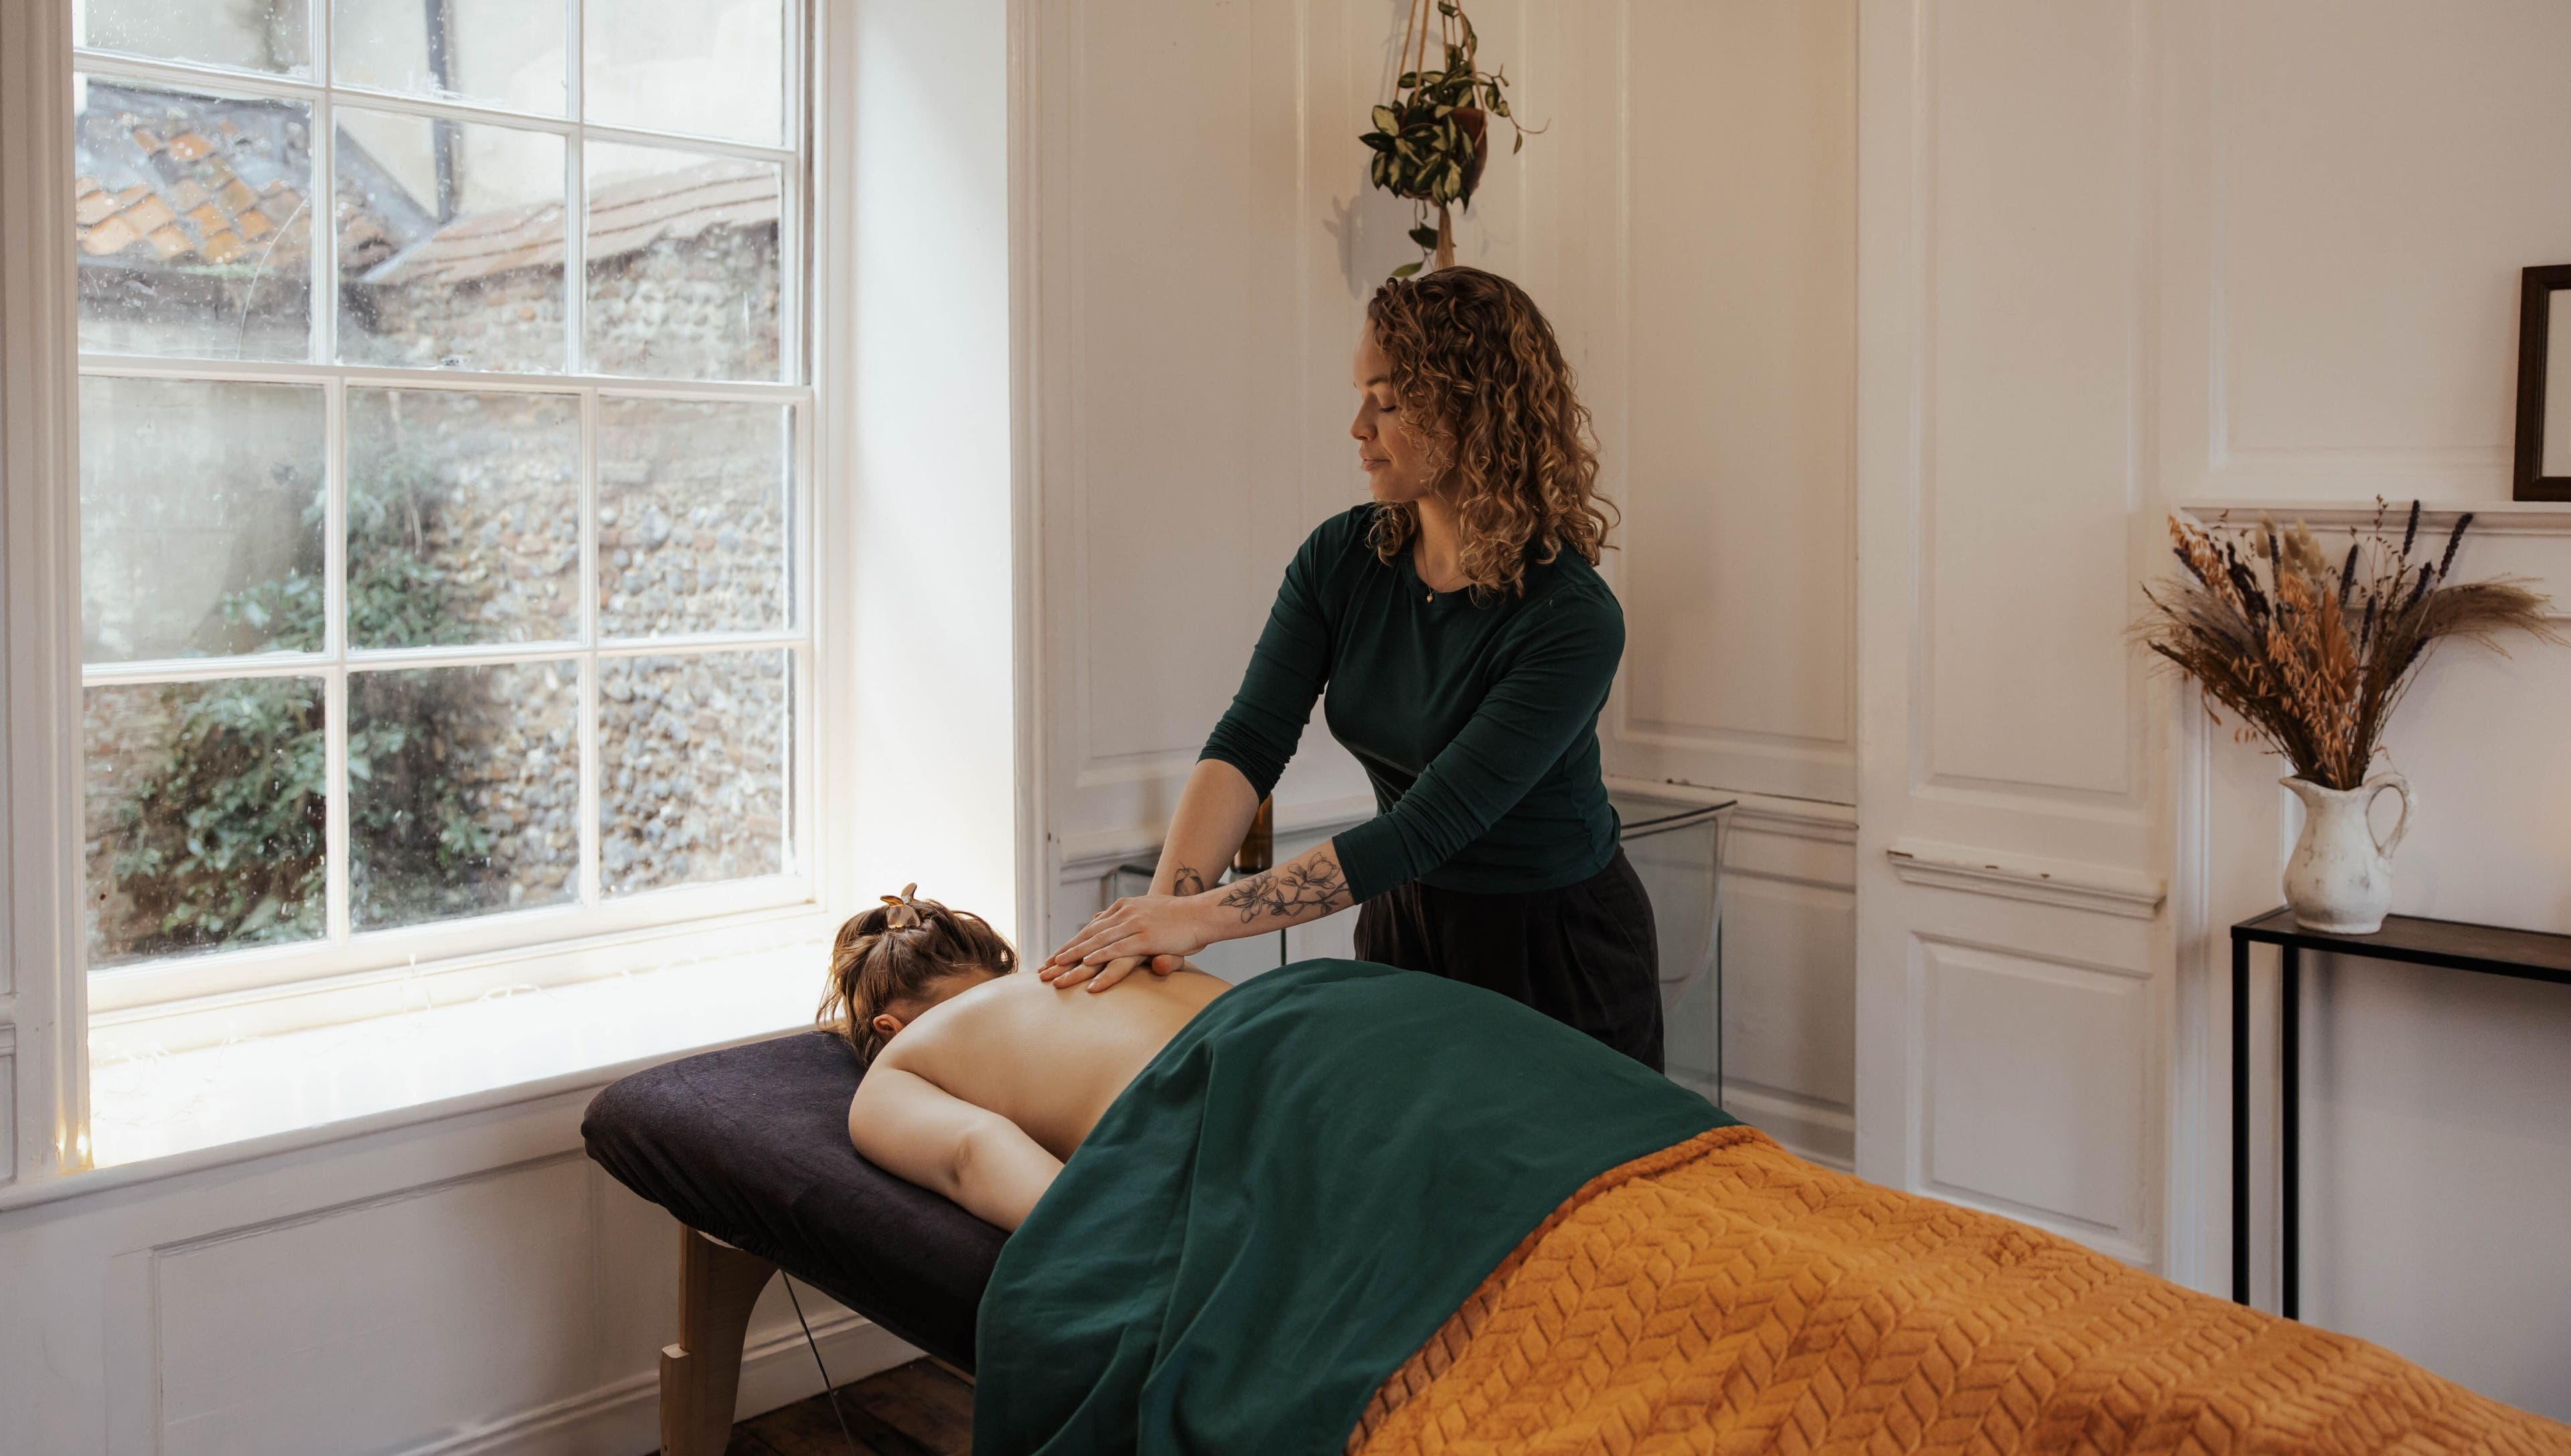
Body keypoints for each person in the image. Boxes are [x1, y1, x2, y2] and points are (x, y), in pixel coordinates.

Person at [1038, 266, 1666, 1068]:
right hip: (1405, 925)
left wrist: (1200, 921)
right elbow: (1249, 742)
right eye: (1361, 395)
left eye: (1390, 400)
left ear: (1473, 411)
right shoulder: (1342, 555)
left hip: (1556, 953)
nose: (1358, 425)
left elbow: (1425, 828)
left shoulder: (1573, 618)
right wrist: (1162, 916)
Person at [824, 885, 1229, 1230]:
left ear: (889, 1029)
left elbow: (975, 1154)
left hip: (1203, 1114)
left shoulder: (896, 1067)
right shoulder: (1102, 957)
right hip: (1276, 1015)